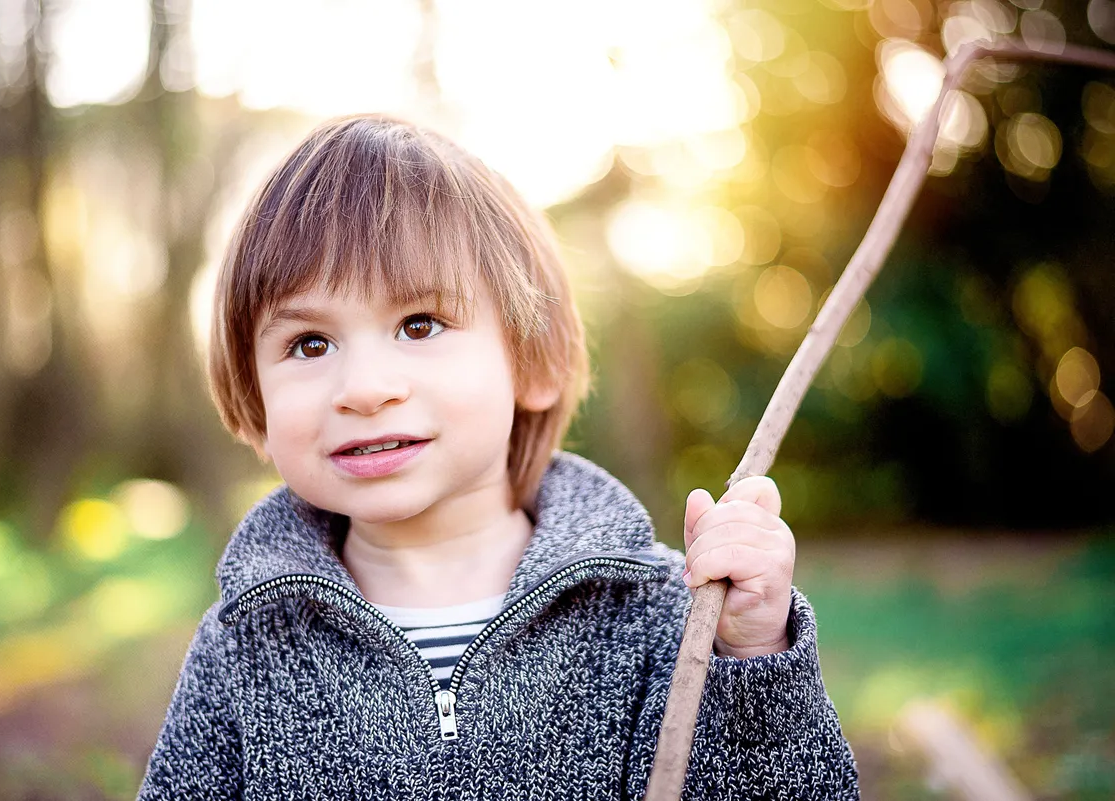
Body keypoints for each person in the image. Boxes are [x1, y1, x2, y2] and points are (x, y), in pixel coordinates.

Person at [137, 113, 860, 800]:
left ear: (534, 362)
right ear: (254, 396)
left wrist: (754, 659)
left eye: (419, 324)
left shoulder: (660, 615)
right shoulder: (246, 644)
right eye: (310, 344)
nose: (363, 388)